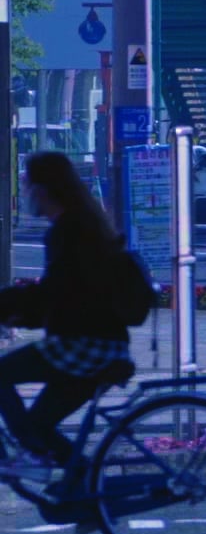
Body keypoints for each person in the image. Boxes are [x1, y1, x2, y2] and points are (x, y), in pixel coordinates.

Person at [0, 153, 149, 480]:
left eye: (27, 186)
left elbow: (57, 292)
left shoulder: (69, 229)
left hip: (83, 344)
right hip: (103, 342)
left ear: (43, 189)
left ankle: (32, 459)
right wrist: (22, 313)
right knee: (39, 425)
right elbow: (67, 294)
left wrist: (10, 308)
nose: (25, 194)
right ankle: (89, 494)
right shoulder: (86, 222)